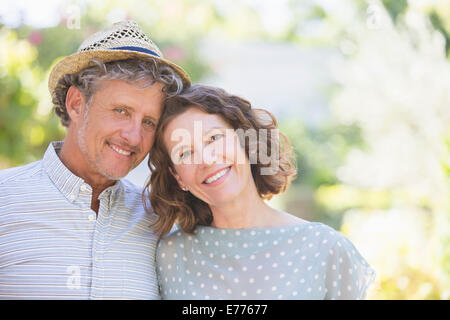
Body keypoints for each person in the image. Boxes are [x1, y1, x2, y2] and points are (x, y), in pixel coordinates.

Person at [0, 20, 190, 299]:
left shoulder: (160, 221)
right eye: (121, 111)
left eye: (149, 121)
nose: (134, 137)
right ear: (76, 103)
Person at [148, 84, 376, 300]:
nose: (207, 160)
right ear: (178, 177)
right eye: (185, 153)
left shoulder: (324, 248)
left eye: (214, 138)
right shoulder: (170, 255)